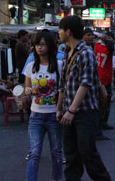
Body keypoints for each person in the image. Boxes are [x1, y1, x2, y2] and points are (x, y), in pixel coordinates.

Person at [56, 16, 110, 181]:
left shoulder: (86, 52)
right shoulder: (67, 52)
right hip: (67, 112)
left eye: (60, 29)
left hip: (85, 112)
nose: (58, 33)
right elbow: (63, 85)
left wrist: (72, 110)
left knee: (87, 152)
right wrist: (59, 109)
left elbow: (85, 84)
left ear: (68, 32)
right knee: (71, 156)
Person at [24, 32, 63, 181]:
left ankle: (57, 178)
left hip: (54, 114)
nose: (39, 47)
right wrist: (24, 97)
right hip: (36, 116)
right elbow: (27, 90)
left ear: (50, 46)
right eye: (37, 44)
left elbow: (62, 90)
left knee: (57, 152)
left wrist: (59, 109)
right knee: (34, 152)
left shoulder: (59, 65)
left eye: (42, 44)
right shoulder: (30, 67)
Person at [94, 32, 115, 138]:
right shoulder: (109, 49)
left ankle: (100, 124)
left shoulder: (96, 46)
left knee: (99, 103)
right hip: (106, 79)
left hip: (98, 78)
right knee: (105, 102)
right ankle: (101, 124)